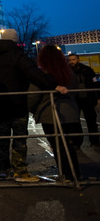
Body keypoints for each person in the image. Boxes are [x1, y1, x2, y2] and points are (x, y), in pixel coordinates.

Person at [0, 29, 64, 183]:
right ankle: (20, 171)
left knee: (1, 139)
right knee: (19, 139)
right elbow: (33, 73)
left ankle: (2, 169)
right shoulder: (17, 55)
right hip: (17, 104)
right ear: (15, 40)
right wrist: (52, 84)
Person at [29, 46, 81, 181]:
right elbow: (76, 89)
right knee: (68, 145)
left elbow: (33, 96)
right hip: (71, 113)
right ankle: (75, 173)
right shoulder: (69, 73)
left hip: (50, 113)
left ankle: (67, 174)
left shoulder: (42, 76)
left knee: (58, 146)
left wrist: (32, 109)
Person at [67, 53, 99, 146]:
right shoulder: (68, 72)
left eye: (73, 59)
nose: (72, 62)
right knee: (75, 122)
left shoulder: (87, 70)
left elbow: (95, 84)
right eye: (70, 60)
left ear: (78, 60)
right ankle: (77, 142)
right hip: (75, 100)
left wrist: (97, 97)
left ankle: (94, 141)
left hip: (87, 99)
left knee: (91, 121)